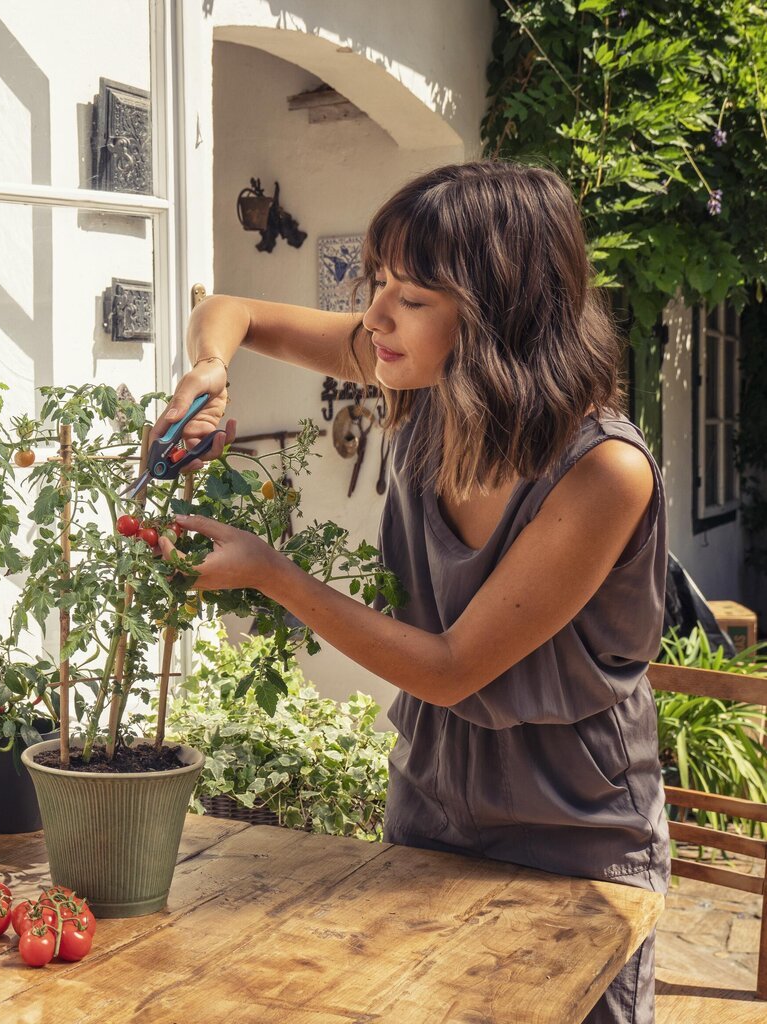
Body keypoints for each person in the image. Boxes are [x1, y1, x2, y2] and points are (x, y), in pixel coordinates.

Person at [150, 161, 668, 1024]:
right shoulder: (417, 378)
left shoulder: (602, 471)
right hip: (430, 800)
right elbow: (230, 310)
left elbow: (451, 669)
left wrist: (269, 573)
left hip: (575, 833)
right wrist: (207, 370)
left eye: (413, 296)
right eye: (378, 282)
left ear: (498, 315)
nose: (377, 316)